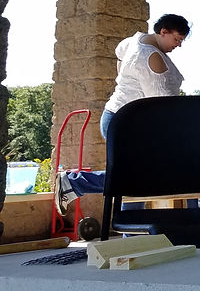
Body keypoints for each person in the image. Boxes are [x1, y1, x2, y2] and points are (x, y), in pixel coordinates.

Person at [54, 14, 191, 215]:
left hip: (118, 117)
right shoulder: (151, 58)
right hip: (128, 125)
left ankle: (130, 233)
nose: (178, 45)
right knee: (138, 176)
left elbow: (119, 53)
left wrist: (126, 83)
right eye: (177, 39)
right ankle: (74, 183)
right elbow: (163, 106)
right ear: (163, 32)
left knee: (135, 177)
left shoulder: (135, 40)